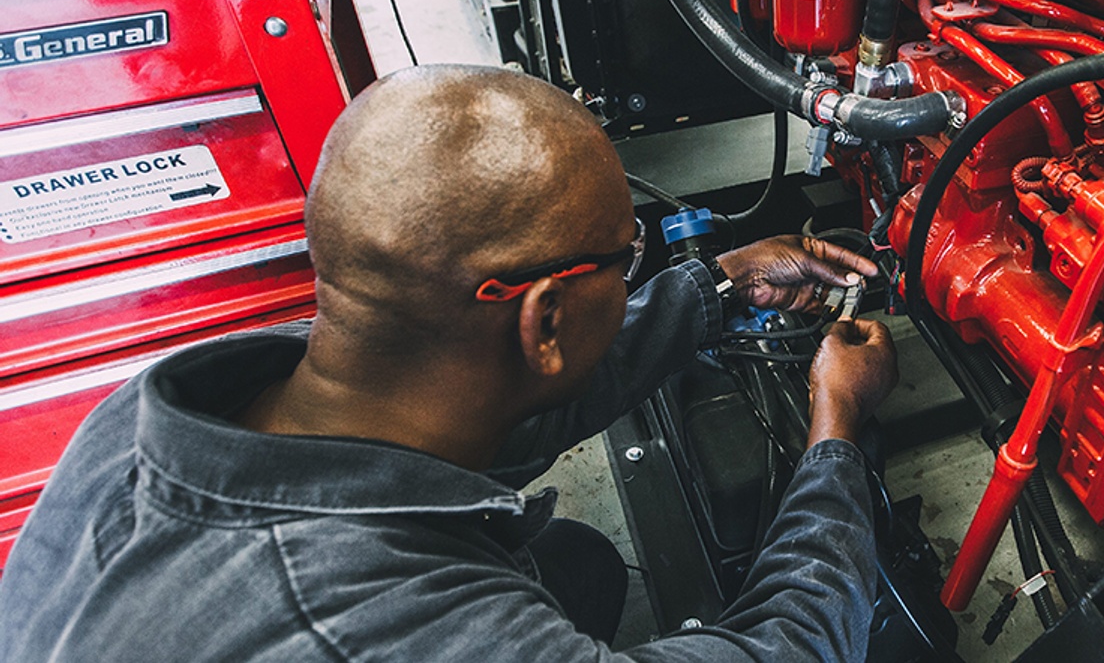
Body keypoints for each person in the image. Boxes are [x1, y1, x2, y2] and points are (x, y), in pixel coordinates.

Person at [0, 64, 899, 661]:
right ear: (543, 321)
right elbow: (788, 650)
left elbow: (513, 402)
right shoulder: (393, 631)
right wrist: (837, 437)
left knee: (573, 564)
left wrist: (718, 286)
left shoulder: (182, 407)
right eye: (625, 260)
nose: (634, 271)